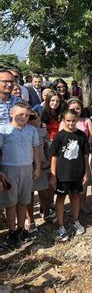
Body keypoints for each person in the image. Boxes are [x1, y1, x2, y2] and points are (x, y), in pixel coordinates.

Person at [0, 103, 41, 247]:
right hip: (9, 169)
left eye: (27, 115)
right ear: (12, 113)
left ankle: (21, 229)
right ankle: (12, 231)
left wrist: (37, 167)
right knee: (10, 202)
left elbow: (36, 150)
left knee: (24, 200)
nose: (24, 117)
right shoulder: (3, 130)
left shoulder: (32, 130)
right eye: (20, 114)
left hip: (27, 168)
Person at [50, 109, 90, 241]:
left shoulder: (82, 136)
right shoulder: (59, 136)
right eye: (68, 121)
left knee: (75, 196)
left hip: (77, 173)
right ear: (63, 120)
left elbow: (85, 155)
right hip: (62, 174)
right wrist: (53, 175)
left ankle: (75, 221)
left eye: (73, 120)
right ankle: (60, 225)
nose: (71, 123)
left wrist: (86, 171)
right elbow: (54, 156)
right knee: (61, 198)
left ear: (77, 119)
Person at [25, 111, 52, 236]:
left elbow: (47, 147)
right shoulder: (23, 132)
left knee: (45, 193)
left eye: (34, 117)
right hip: (27, 167)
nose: (32, 119)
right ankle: (30, 221)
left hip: (42, 166)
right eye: (29, 117)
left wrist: (48, 161)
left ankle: (46, 214)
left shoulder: (42, 132)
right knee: (28, 196)